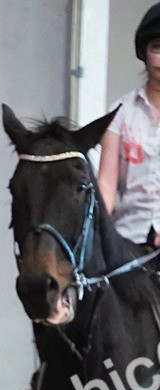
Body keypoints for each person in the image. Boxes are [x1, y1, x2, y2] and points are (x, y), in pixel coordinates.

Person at [98, 3, 160, 247]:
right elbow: (107, 182)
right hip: (128, 239)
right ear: (143, 53)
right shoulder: (122, 112)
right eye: (157, 47)